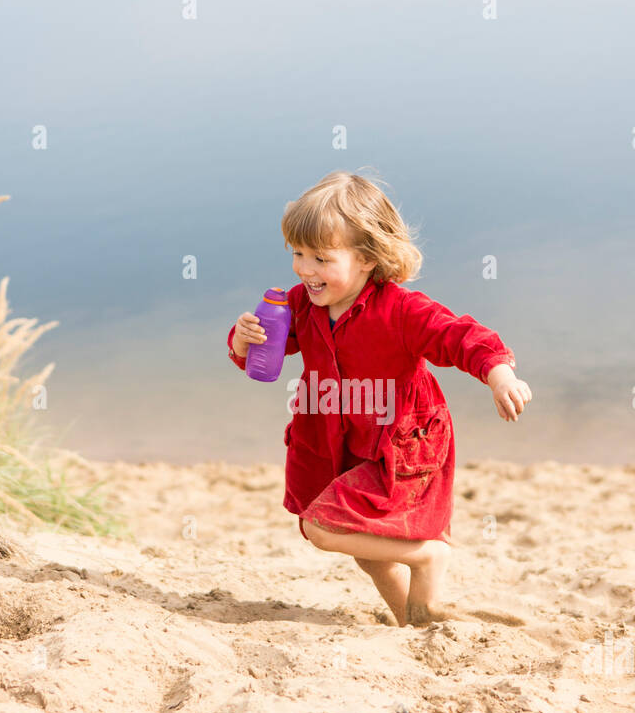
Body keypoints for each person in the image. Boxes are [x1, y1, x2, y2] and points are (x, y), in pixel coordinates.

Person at [227, 170, 532, 626]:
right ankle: (413, 618)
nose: (305, 269)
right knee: (368, 552)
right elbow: (263, 358)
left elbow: (458, 335)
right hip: (340, 438)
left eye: (321, 258)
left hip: (400, 441)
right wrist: (243, 339)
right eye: (298, 254)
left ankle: (428, 556)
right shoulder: (300, 304)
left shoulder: (401, 310)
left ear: (368, 257)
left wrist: (499, 374)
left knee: (322, 526)